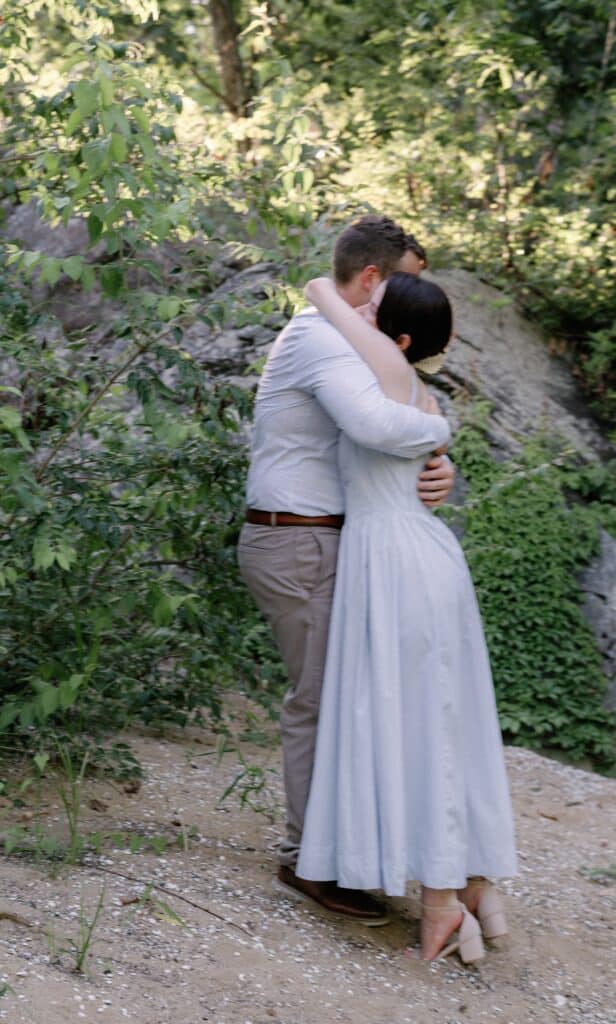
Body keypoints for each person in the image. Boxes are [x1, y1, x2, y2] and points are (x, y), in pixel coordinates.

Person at [237, 216, 455, 925]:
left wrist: (437, 468)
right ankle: (310, 859)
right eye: (409, 279)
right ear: (373, 279)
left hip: (334, 541)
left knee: (348, 697)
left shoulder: (349, 341)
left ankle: (346, 846)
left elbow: (390, 428)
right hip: (298, 543)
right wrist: (437, 436)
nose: (413, 296)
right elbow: (376, 426)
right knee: (323, 701)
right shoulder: (319, 337)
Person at [296, 272, 517, 962]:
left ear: (394, 338)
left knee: (412, 721)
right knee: (446, 717)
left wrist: (320, 286)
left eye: (374, 313)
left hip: (393, 564)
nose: (357, 313)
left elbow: (338, 310)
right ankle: (477, 884)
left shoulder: (390, 379)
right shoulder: (415, 391)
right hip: (421, 558)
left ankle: (443, 901)